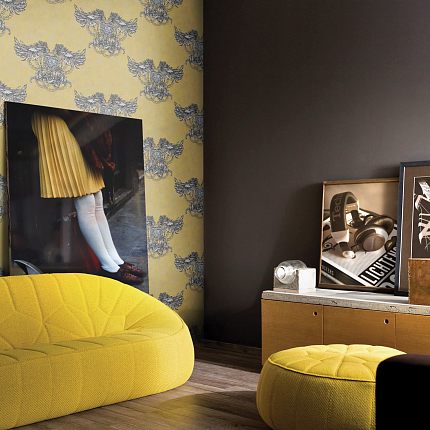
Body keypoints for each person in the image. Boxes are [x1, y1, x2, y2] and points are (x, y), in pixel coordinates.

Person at [31, 109, 144, 284]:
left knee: (97, 199)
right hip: (56, 120)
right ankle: (109, 267)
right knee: (86, 200)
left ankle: (115, 260)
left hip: (72, 123)